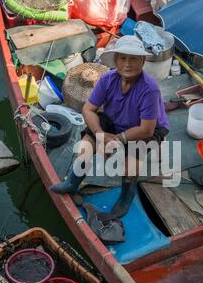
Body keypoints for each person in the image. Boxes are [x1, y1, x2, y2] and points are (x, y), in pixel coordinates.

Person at [50, 35, 169, 217]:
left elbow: (147, 129)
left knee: (129, 167)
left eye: (134, 58)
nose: (127, 64)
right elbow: (88, 110)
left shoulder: (149, 89)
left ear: (143, 61)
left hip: (146, 129)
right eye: (123, 58)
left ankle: (126, 195)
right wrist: (99, 134)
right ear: (116, 60)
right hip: (116, 120)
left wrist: (117, 140)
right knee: (85, 146)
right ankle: (73, 182)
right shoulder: (107, 79)